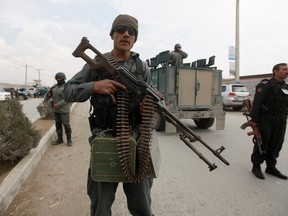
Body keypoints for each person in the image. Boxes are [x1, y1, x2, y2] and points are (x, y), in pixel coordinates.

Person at [63, 14, 155, 216]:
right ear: (112, 34)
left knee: (143, 208)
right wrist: (95, 86)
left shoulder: (142, 67)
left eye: (131, 32)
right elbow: (67, 91)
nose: (126, 34)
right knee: (101, 208)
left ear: (135, 38)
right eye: (121, 29)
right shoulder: (97, 63)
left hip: (136, 143)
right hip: (104, 138)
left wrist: (147, 108)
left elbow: (150, 100)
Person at [250, 63, 288, 180]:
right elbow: (257, 104)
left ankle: (271, 167)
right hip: (266, 118)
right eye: (284, 69)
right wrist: (254, 121)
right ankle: (256, 166)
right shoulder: (265, 85)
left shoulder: (286, 86)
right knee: (263, 142)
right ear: (275, 71)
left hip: (281, 118)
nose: (287, 71)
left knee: (277, 143)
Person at [48, 72, 73, 146]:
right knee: (58, 125)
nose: (58, 79)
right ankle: (60, 139)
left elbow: (68, 98)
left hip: (64, 110)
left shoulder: (67, 87)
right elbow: (51, 95)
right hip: (56, 110)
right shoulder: (54, 87)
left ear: (63, 78)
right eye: (57, 78)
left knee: (66, 125)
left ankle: (69, 140)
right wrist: (50, 99)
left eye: (60, 78)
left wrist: (59, 104)